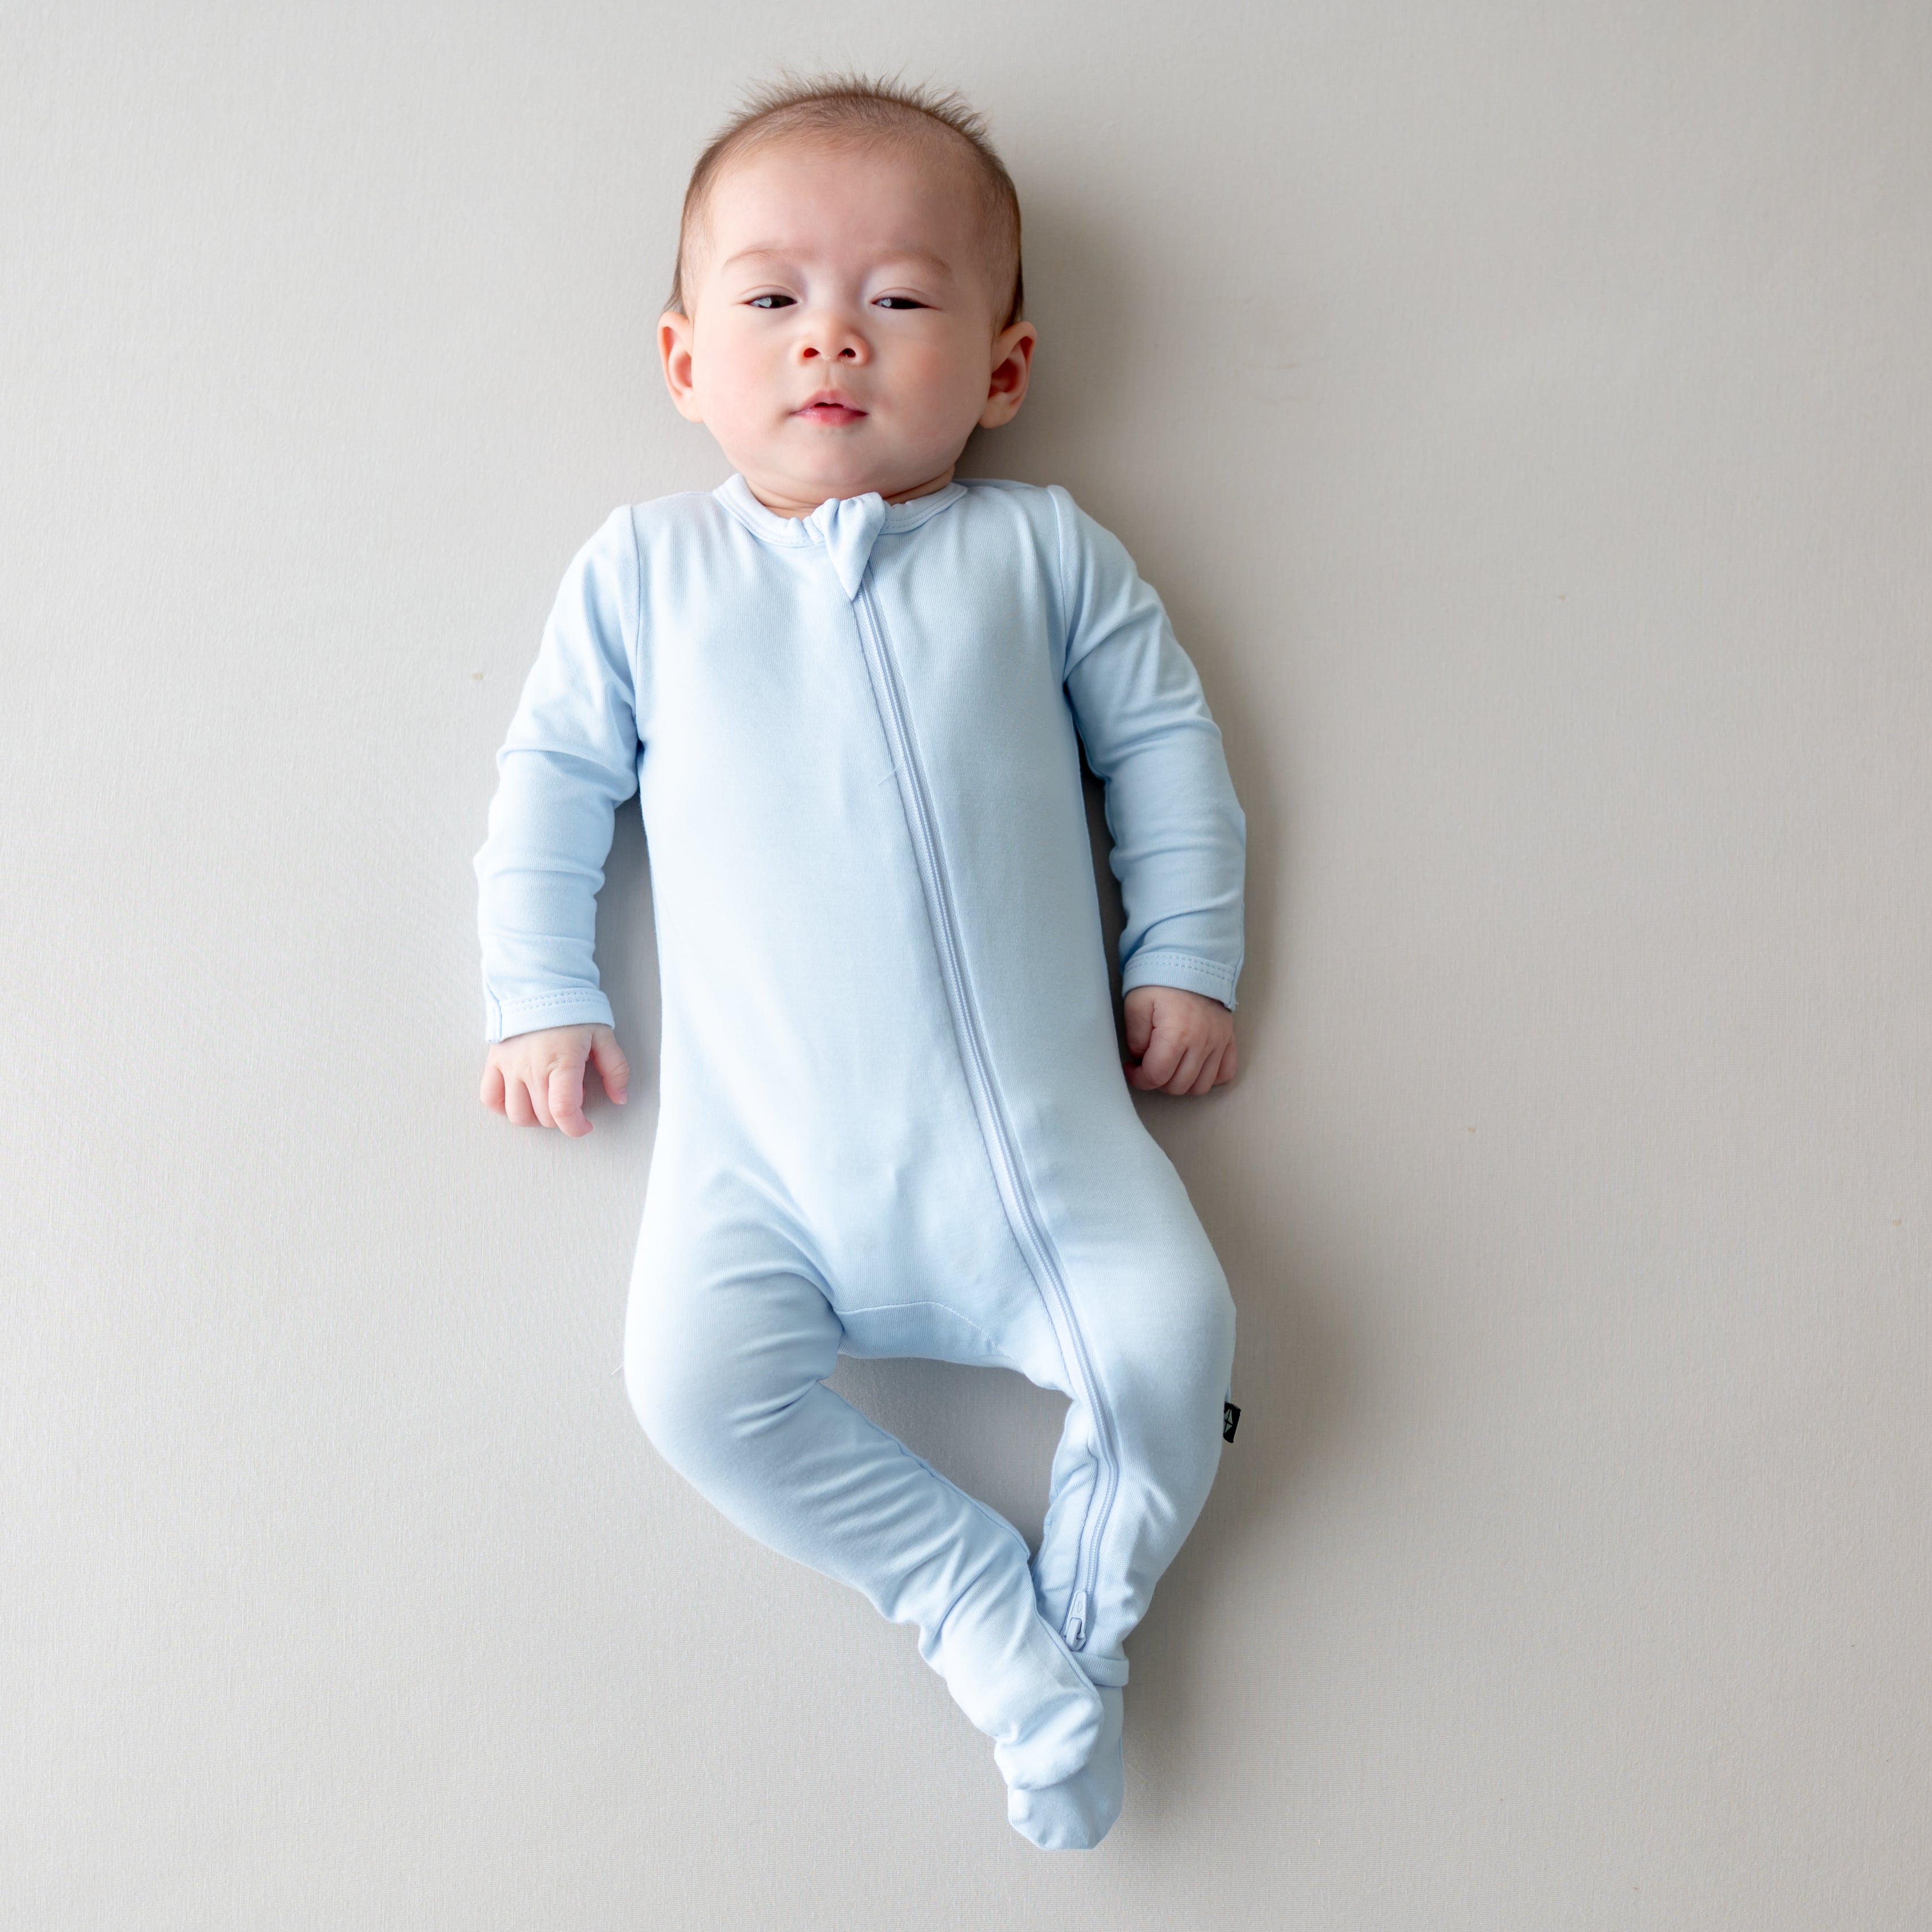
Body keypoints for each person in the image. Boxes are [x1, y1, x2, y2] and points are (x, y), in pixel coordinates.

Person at [473, 74, 1245, 1850]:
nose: (831, 336)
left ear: (998, 368)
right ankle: (973, 1600)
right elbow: (549, 789)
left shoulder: (1039, 551)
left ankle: (1082, 1618)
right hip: (760, 1169)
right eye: (770, 299)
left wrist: (1185, 955)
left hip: (1044, 1158)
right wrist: (544, 989)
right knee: (687, 1386)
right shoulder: (646, 574)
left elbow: (1166, 751)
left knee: (1172, 1342)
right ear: (684, 362)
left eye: (896, 298)